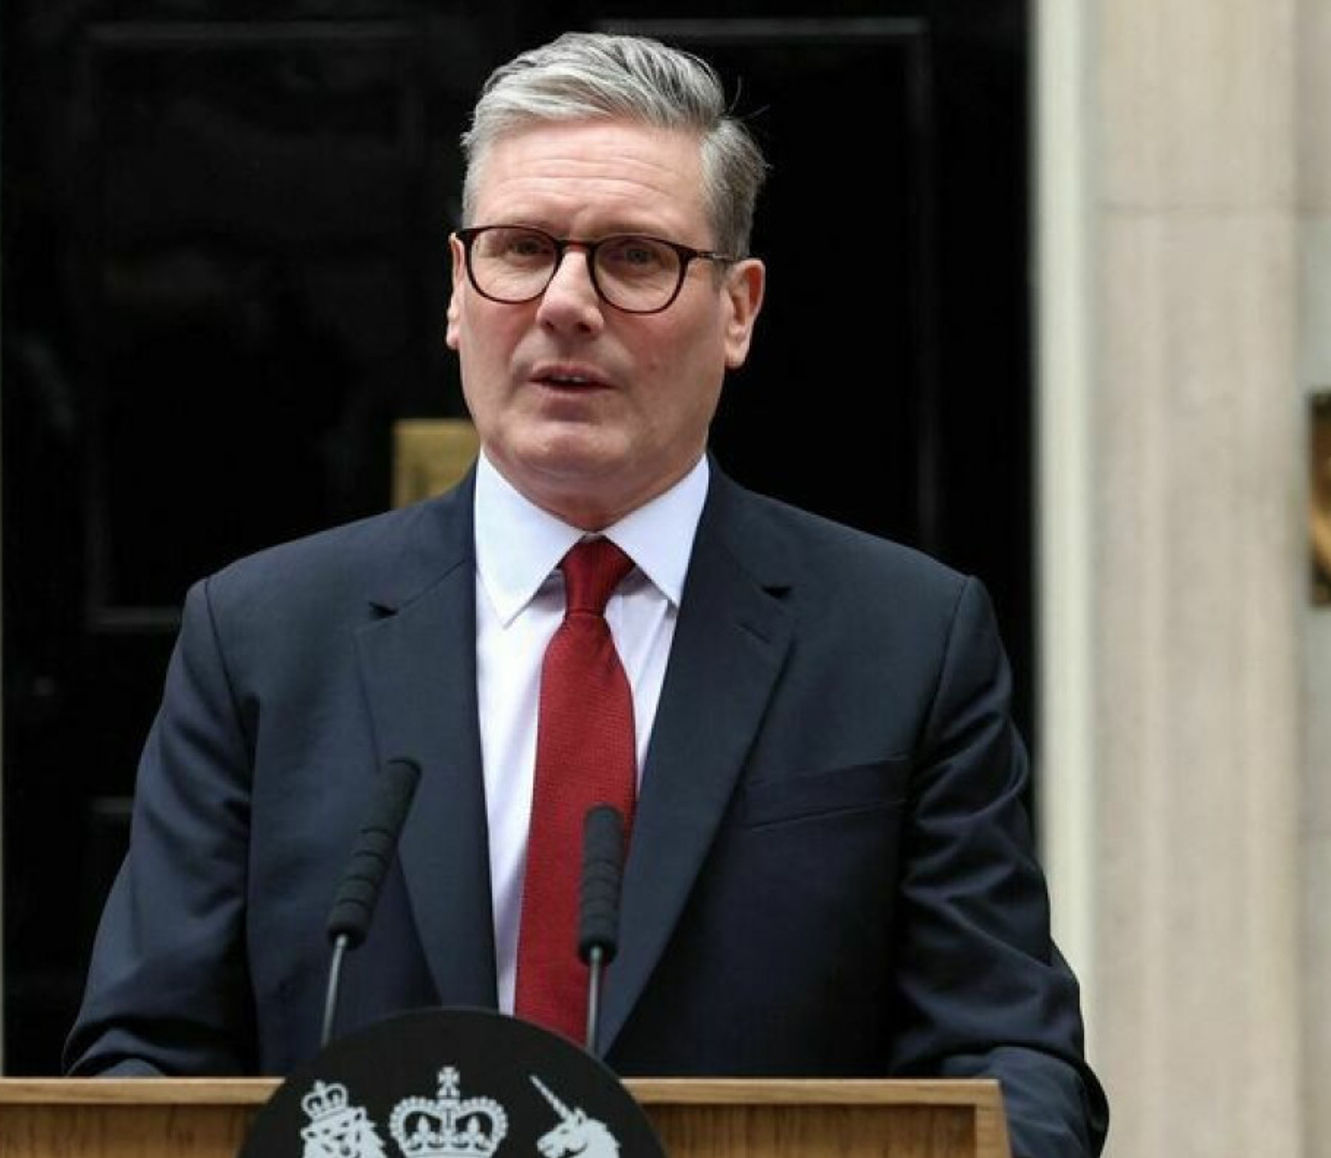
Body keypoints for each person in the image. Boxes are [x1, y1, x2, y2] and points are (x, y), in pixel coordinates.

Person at [65, 31, 1109, 1158]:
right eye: (520, 250)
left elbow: (1009, 1060)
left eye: (633, 257)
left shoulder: (903, 642)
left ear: (739, 309)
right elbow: (144, 1057)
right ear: (457, 292)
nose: (565, 303)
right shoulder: (261, 639)